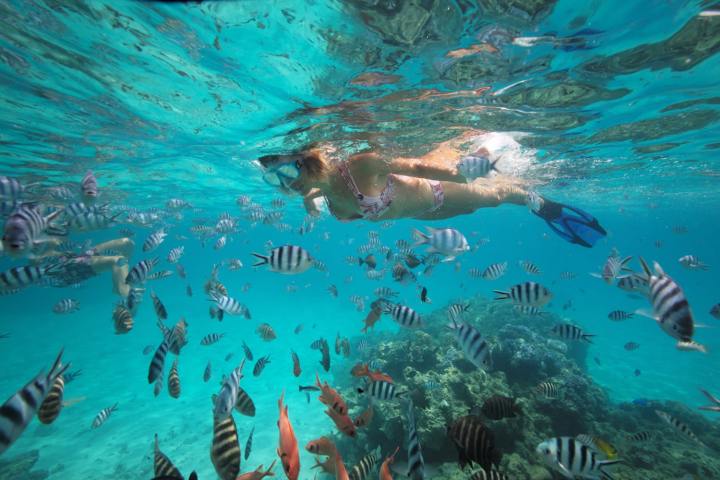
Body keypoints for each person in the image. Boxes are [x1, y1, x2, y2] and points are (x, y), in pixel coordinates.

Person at [256, 131, 606, 247]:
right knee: (477, 209)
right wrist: (310, 202)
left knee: (496, 197)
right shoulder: (319, 192)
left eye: (285, 170)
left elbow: (416, 167)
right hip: (431, 212)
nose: (286, 182)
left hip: (440, 190)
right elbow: (317, 192)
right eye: (276, 179)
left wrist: (465, 174)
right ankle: (526, 195)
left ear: (305, 159)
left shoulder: (358, 166)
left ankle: (540, 201)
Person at [40, 237, 134, 296]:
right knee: (118, 260)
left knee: (127, 243)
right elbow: (35, 260)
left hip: (75, 257)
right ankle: (124, 293)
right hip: (61, 269)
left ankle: (120, 277)